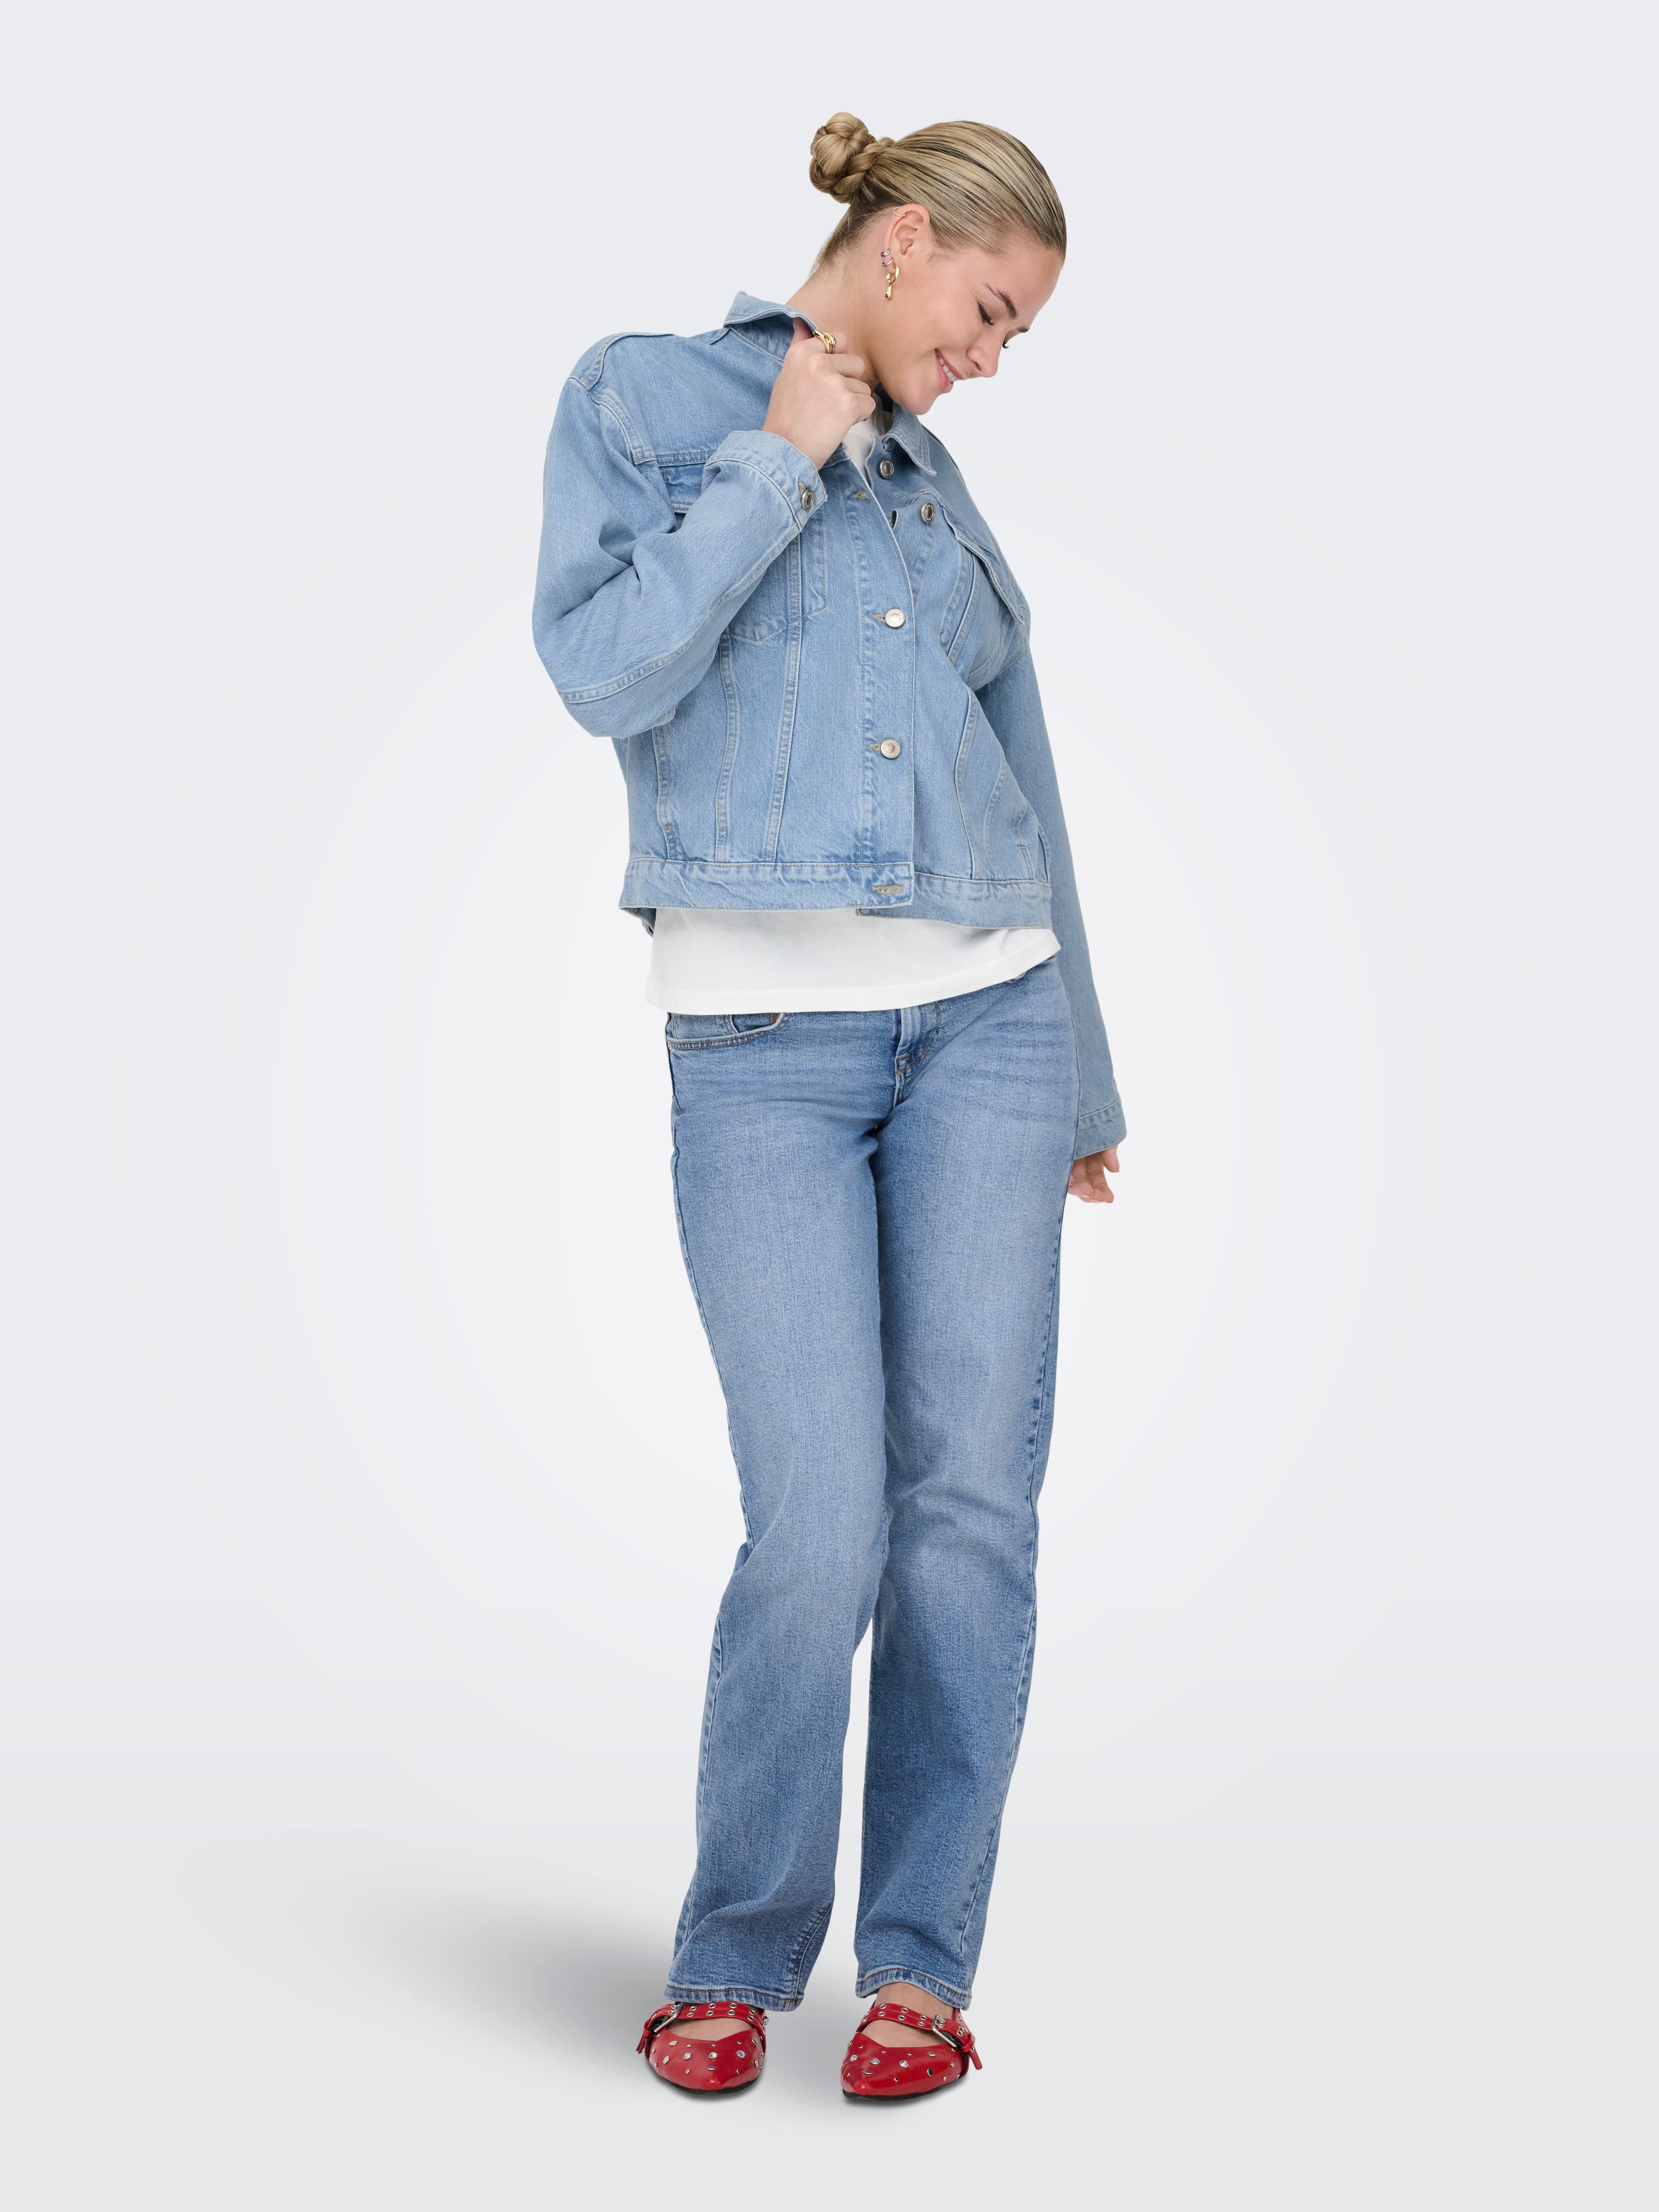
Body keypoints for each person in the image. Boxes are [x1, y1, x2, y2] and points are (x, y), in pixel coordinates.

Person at [532, 112, 1127, 2102]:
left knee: (969, 1514)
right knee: (819, 1519)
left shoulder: (934, 480)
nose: (990, 358)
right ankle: (734, 1946)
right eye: (989, 310)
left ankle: (918, 1966)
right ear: (904, 238)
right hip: (760, 1048)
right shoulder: (646, 395)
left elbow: (1020, 761)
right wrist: (775, 458)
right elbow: (601, 671)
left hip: (994, 1027)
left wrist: (1085, 1070)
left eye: (1015, 336)